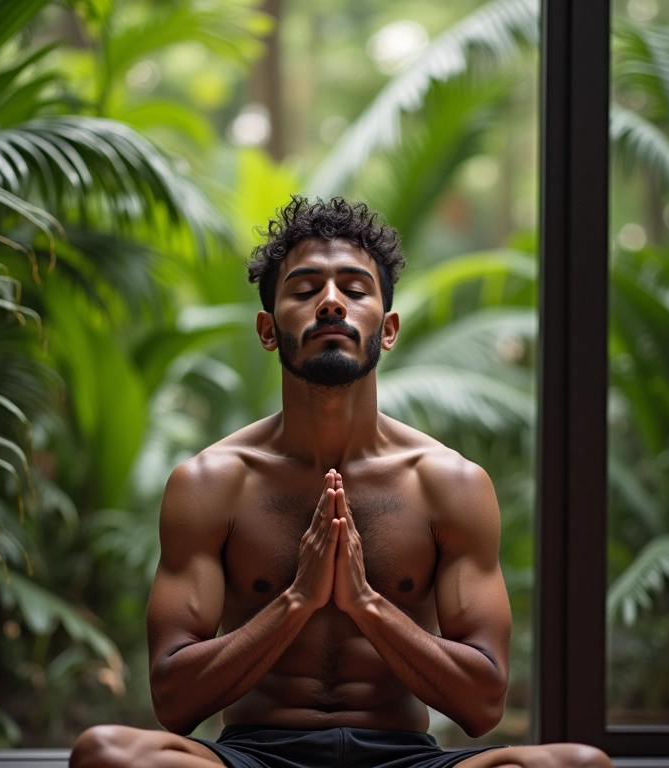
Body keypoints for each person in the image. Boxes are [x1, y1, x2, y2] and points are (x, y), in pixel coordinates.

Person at [70, 198, 611, 768]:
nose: (330, 302)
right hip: (258, 757)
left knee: (580, 765)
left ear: (388, 328)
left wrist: (366, 604)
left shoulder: (450, 485)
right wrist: (296, 601)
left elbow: (483, 705)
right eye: (305, 290)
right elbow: (173, 702)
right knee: (106, 754)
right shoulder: (211, 484)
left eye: (354, 289)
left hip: (403, 760)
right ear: (268, 330)